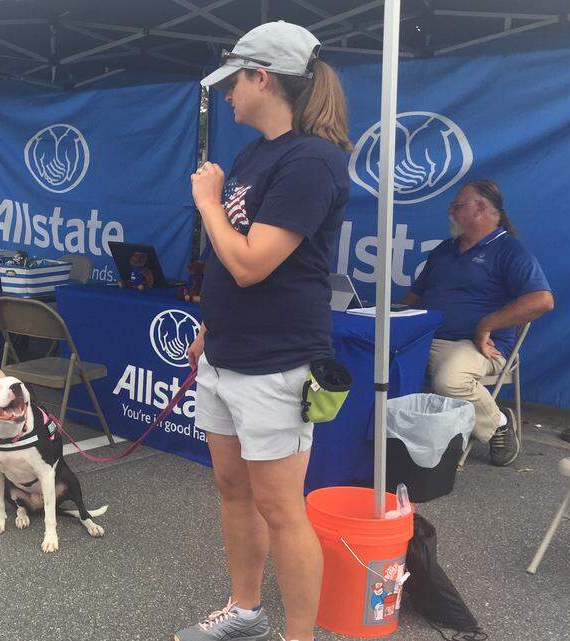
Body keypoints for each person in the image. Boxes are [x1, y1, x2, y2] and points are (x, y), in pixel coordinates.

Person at [176, 21, 352, 641]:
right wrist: (209, 325)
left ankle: (298, 637)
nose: (227, 95)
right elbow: (233, 263)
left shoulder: (313, 160)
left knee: (281, 508)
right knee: (232, 490)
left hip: (278, 362)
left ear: (263, 77)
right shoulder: (257, 154)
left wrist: (207, 202)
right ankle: (246, 611)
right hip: (226, 354)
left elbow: (251, 263)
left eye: (235, 80)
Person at [401, 179, 553, 466]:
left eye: (456, 206)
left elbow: (542, 300)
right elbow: (415, 296)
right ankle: (396, 439)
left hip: (478, 346)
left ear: (480, 209)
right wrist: (387, 316)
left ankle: (498, 423)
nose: (450, 212)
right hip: (426, 338)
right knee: (375, 360)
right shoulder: (444, 250)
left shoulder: (509, 251)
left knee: (450, 380)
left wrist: (486, 325)